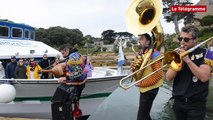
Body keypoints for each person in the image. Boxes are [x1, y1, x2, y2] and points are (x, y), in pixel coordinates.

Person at [166, 25, 213, 120]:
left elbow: (204, 77)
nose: (182, 42)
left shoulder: (207, 53)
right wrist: (177, 61)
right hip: (178, 102)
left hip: (196, 104)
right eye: (180, 39)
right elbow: (168, 77)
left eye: (186, 39)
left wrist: (188, 60)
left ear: (196, 40)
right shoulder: (177, 55)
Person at [131, 33, 163, 120]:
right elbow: (140, 72)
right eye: (138, 39)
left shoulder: (154, 54)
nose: (139, 41)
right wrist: (134, 68)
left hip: (150, 89)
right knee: (144, 115)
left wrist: (141, 83)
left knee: (141, 116)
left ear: (148, 42)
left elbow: (158, 75)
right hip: (145, 88)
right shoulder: (143, 54)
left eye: (141, 39)